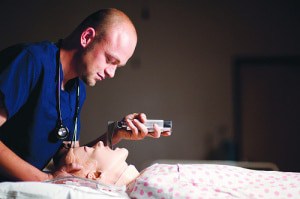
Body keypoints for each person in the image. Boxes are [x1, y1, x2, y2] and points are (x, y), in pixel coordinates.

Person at [0, 8, 170, 182]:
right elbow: (52, 176)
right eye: (110, 60)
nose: (111, 73)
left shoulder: (77, 89)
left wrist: (116, 133)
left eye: (117, 66)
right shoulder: (29, 62)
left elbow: (70, 160)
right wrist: (45, 179)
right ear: (86, 37)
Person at [53, 141, 300, 199]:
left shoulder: (148, 177)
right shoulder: (147, 185)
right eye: (88, 148)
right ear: (95, 176)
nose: (98, 142)